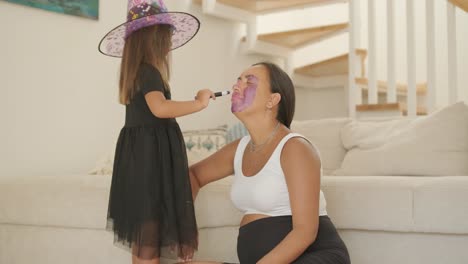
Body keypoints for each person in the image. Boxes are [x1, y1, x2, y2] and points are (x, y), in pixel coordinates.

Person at [187, 62, 351, 264]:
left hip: (316, 257)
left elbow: (305, 233)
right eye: (239, 79)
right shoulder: (239, 148)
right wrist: (185, 227)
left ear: (272, 100)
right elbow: (193, 176)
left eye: (250, 81)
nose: (238, 85)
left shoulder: (295, 148)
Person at [98, 1, 214, 263]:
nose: (169, 44)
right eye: (166, 37)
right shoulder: (149, 73)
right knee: (149, 231)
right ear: (153, 39)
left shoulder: (137, 72)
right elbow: (160, 108)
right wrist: (199, 103)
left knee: (145, 235)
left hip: (143, 156)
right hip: (150, 159)